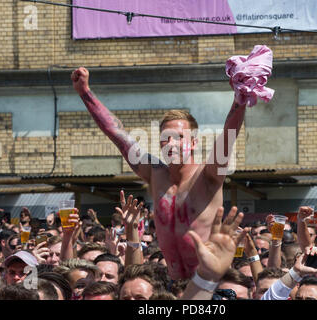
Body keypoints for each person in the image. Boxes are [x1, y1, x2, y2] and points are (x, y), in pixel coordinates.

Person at [71, 64, 251, 280]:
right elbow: (116, 133)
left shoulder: (209, 174)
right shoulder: (155, 174)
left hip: (208, 286)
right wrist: (85, 92)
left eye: (178, 137)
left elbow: (228, 135)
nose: (171, 144)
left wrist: (239, 100)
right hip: (171, 285)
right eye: (165, 139)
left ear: (193, 142)